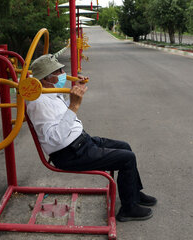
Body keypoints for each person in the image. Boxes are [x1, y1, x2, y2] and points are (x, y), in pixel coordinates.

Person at [27, 54, 157, 222]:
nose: (63, 73)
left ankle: (133, 194)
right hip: (70, 154)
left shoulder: (49, 93)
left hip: (82, 142)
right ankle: (128, 209)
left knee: (125, 146)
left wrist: (76, 93)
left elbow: (60, 113)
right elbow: (54, 139)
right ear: (46, 78)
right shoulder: (38, 102)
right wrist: (74, 105)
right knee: (127, 158)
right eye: (58, 71)